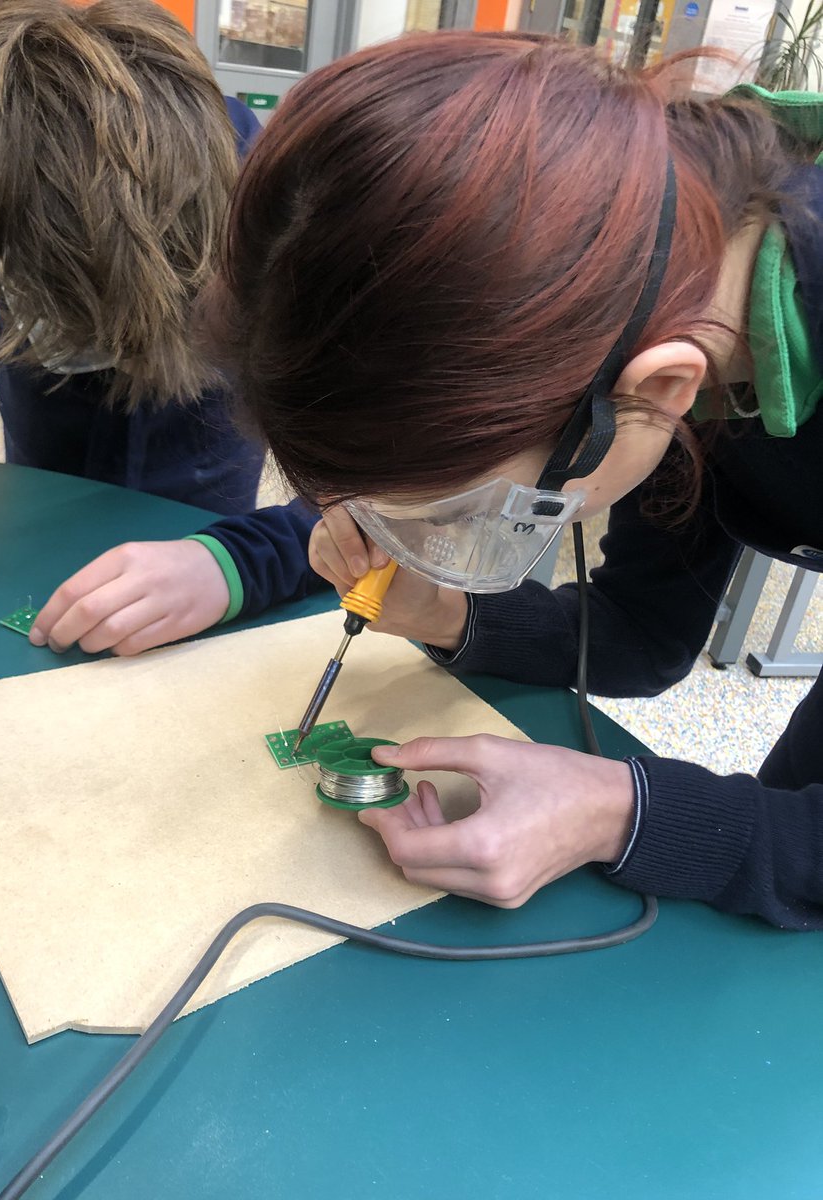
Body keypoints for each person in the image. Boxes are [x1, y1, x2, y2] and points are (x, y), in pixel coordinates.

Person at [207, 31, 823, 930]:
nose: (440, 537)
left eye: (464, 512)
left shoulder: (641, 363)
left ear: (660, 389)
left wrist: (620, 812)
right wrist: (443, 612)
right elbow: (642, 633)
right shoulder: (648, 294)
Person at [0, 0, 322, 653]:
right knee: (47, 580)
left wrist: (242, 561)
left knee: (181, 608)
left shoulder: (284, 210)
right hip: (45, 432)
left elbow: (413, 488)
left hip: (202, 429)